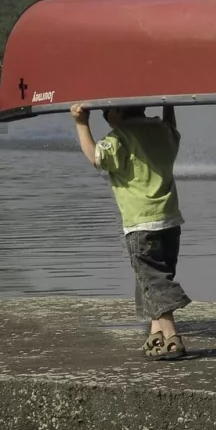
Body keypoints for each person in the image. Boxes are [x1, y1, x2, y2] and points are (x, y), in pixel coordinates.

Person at [70, 102, 190, 361]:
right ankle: (156, 332)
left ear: (117, 112)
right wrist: (169, 103)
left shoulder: (119, 138)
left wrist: (81, 123)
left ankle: (171, 335)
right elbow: (172, 126)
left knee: (153, 280)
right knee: (158, 275)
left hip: (141, 224)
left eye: (106, 113)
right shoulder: (162, 130)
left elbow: (95, 157)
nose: (106, 118)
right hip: (170, 220)